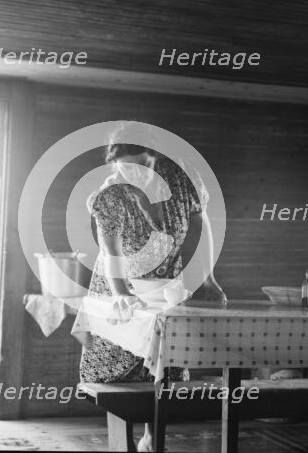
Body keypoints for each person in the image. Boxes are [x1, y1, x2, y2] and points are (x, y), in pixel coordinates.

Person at [78, 122, 226, 451]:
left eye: (143, 165)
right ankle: (124, 441)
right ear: (114, 166)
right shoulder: (110, 195)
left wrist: (209, 278)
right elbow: (111, 251)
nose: (137, 175)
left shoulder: (181, 178)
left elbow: (202, 228)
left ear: (155, 158)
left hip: (166, 279)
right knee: (119, 364)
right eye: (126, 168)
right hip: (118, 280)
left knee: (165, 358)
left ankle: (151, 436)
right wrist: (121, 294)